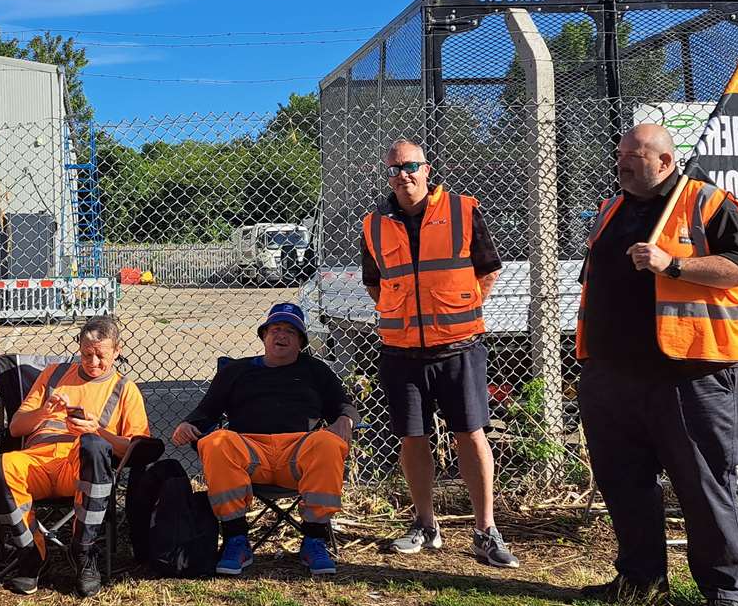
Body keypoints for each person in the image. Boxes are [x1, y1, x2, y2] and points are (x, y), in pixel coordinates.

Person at [576, 123, 738, 606]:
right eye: (620, 154)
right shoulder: (611, 209)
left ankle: (724, 591)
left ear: (664, 160)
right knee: (624, 484)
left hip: (688, 375)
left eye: (634, 155)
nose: (622, 163)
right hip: (612, 376)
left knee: (703, 484)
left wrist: (673, 264)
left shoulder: (704, 202)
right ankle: (640, 579)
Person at [363, 140, 517, 568]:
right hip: (401, 351)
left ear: (427, 169)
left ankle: (486, 530)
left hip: (459, 346)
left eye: (410, 166)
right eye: (394, 168)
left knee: (470, 433)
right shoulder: (373, 224)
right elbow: (375, 284)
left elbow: (488, 270)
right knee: (412, 437)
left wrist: (456, 309)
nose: (402, 174)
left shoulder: (463, 210)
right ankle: (425, 525)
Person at [172, 303, 356, 577]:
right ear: (264, 336)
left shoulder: (316, 370)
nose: (281, 336)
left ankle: (314, 540)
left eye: (290, 332)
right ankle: (236, 540)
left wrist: (345, 420)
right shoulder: (235, 371)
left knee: (329, 443)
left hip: (297, 454)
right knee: (216, 442)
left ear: (301, 342)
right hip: (250, 453)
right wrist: (189, 425)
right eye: (275, 329)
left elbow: (344, 406)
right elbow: (206, 411)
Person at [0, 316, 150, 598]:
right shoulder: (53, 375)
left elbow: (136, 448)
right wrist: (44, 412)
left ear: (117, 352)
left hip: (80, 468)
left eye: (101, 355)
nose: (93, 362)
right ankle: (32, 555)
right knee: (1, 468)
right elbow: (16, 428)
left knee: (94, 447)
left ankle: (84, 552)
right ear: (79, 348)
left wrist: (98, 430)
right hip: (39, 460)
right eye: (86, 354)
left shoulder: (125, 389)